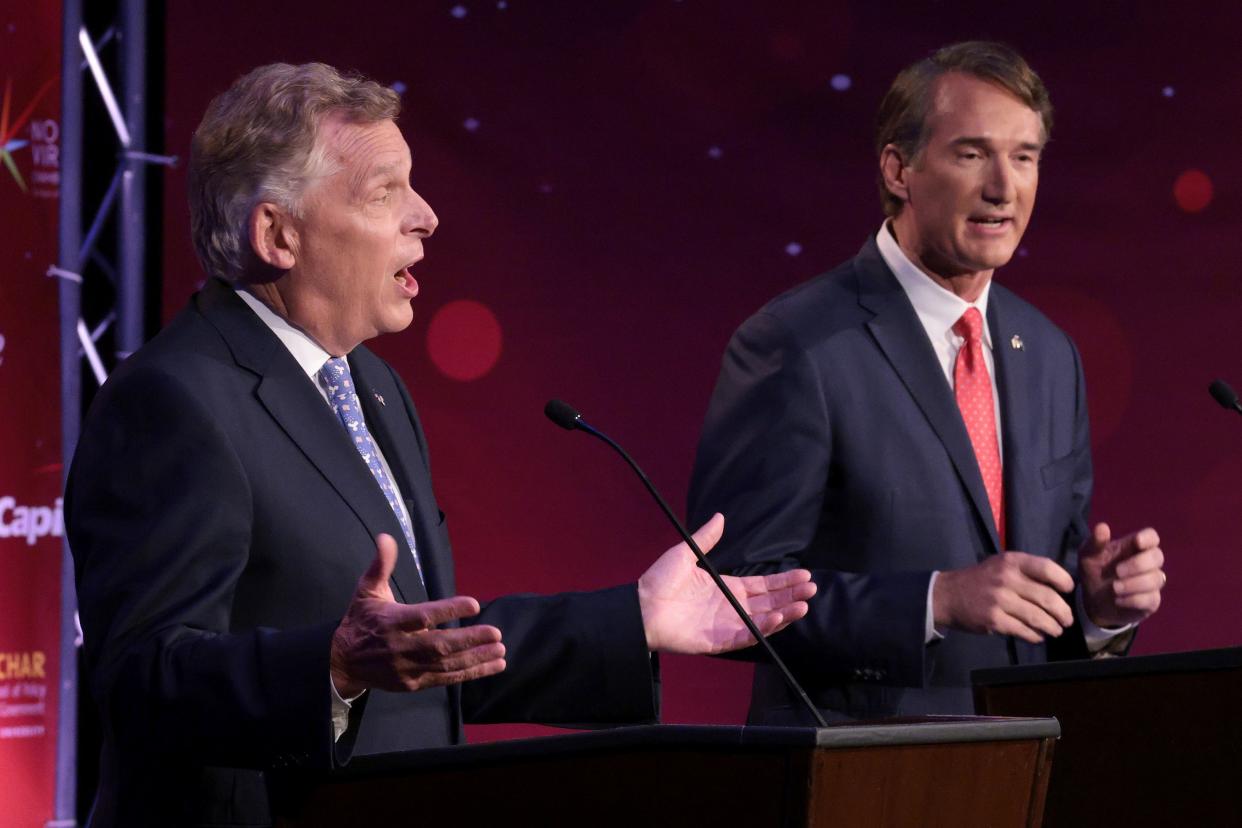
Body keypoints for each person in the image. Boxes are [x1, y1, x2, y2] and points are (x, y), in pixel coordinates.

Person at [66, 62, 816, 827]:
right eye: (385, 192)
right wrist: (331, 667)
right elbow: (138, 679)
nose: (425, 216)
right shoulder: (174, 399)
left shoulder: (376, 390)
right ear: (278, 233)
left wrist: (635, 619)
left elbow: (428, 653)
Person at [687, 41, 1166, 724]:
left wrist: (1096, 612)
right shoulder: (798, 344)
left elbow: (1034, 605)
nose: (1004, 187)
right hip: (862, 776)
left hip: (1022, 770)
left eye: (1024, 156)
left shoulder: (1051, 355)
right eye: (972, 154)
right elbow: (727, 595)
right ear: (899, 168)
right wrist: (932, 603)